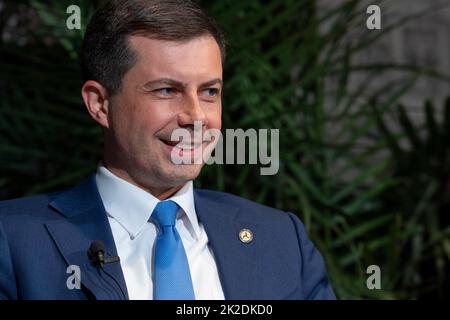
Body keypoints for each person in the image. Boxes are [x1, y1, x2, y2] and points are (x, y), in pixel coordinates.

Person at [0, 0, 336, 300]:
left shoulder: (281, 240)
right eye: (166, 90)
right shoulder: (14, 240)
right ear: (100, 104)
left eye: (209, 92)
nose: (196, 117)